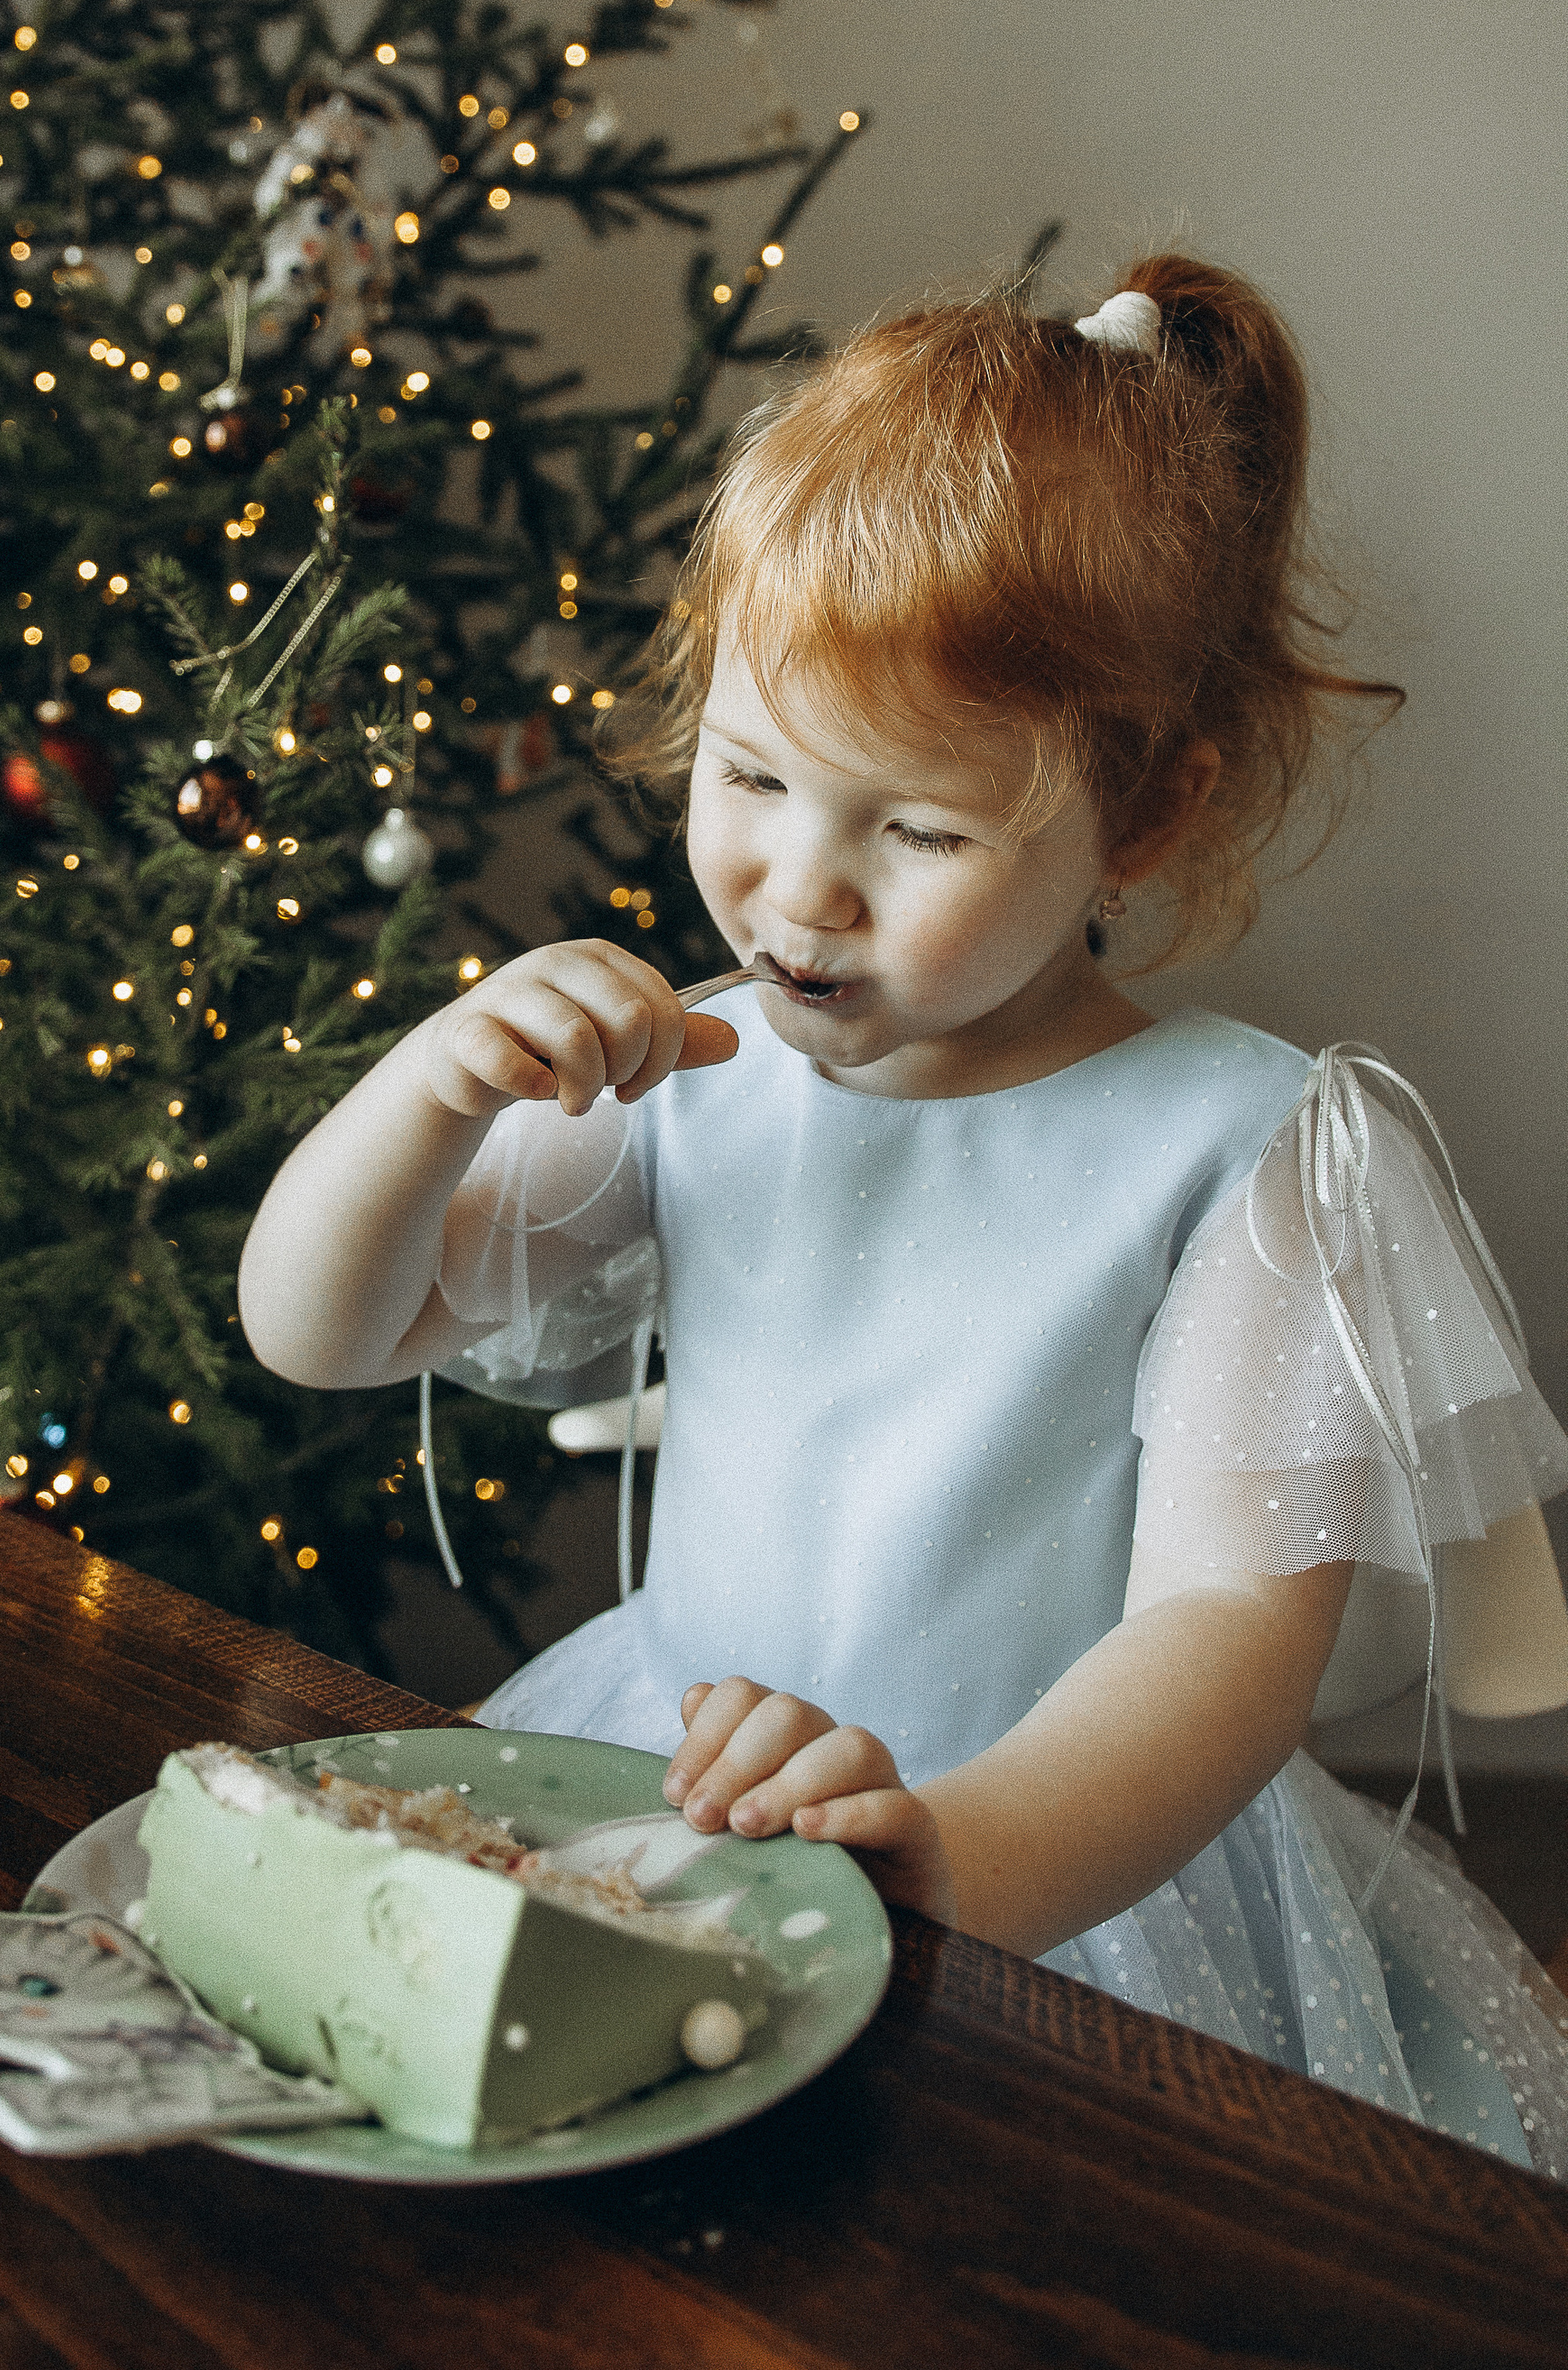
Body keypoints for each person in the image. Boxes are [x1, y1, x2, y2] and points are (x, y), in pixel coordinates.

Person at [240, 256, 1568, 2173]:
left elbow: (1221, 1634)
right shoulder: (694, 1067)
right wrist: (427, 1091)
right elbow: (323, 1332)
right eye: (749, 774)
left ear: (1143, 817)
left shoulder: (1249, 1149)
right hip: (675, 1778)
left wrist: (955, 1859)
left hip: (1055, 1851)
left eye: (920, 828)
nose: (800, 889)